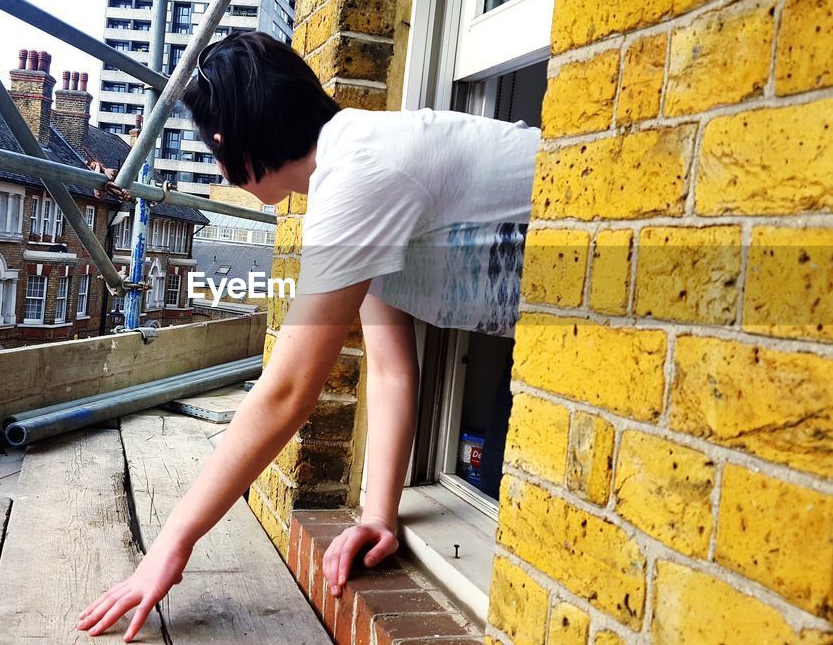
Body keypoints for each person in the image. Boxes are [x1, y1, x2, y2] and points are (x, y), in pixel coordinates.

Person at [77, 32, 538, 641]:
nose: (218, 166)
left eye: (211, 146)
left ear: (227, 139)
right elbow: (391, 367)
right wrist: (378, 515)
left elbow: (289, 389)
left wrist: (168, 546)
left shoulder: (358, 173)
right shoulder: (358, 165)